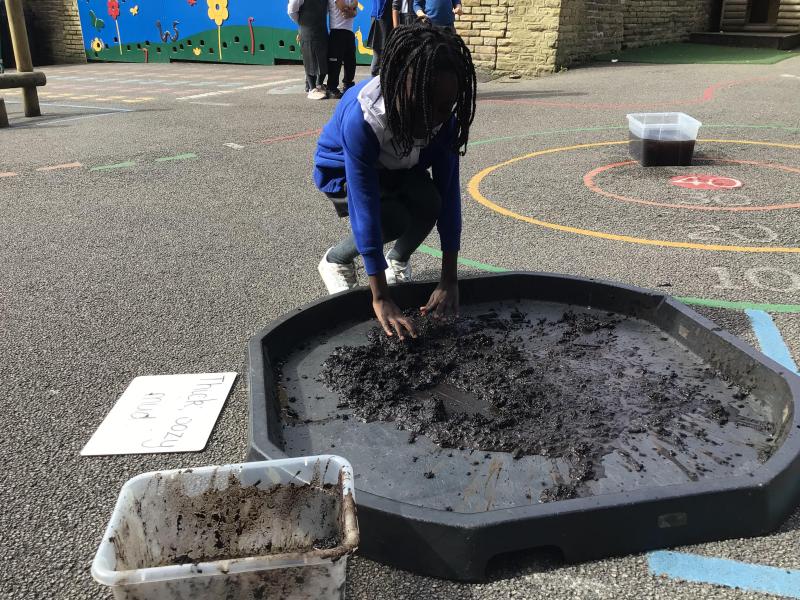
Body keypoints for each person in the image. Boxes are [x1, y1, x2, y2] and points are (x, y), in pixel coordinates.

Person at [313, 23, 477, 339]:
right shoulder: (364, 119)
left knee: (431, 200)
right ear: (399, 87)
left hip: (396, 166)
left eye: (445, 107)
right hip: (343, 170)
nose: (434, 120)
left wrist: (449, 279)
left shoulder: (442, 122)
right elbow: (364, 207)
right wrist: (381, 297)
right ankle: (336, 260)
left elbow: (449, 197)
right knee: (395, 218)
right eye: (423, 106)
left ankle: (397, 261)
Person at [288, 0, 330, 100]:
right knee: (310, 58)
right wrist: (303, 24)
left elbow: (326, 10)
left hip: (321, 28)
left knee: (323, 57)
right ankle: (312, 88)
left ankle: (319, 85)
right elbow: (291, 11)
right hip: (307, 30)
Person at [327, 0, 357, 99]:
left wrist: (351, 11)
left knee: (351, 61)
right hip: (337, 30)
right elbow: (343, 8)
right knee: (335, 63)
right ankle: (332, 88)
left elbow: (355, 9)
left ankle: (348, 85)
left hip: (349, 31)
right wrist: (352, 10)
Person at [366, 0, 393, 76]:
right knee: (379, 53)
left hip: (382, 17)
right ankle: (374, 77)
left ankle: (377, 77)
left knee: (380, 53)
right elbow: (381, 4)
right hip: (381, 19)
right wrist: (380, 15)